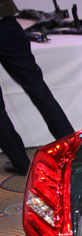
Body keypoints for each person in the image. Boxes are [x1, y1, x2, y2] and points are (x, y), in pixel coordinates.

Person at [0, 0, 73, 175]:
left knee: (36, 86)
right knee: (36, 86)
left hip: (6, 21)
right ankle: (72, 149)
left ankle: (21, 162)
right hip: (5, 22)